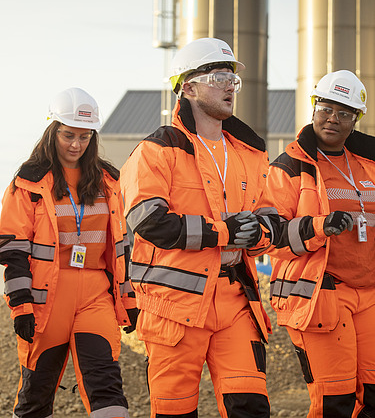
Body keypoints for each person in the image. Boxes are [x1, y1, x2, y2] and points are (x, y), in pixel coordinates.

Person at [121, 37, 282, 418]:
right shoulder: (157, 150)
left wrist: (257, 234)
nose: (231, 85)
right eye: (220, 76)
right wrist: (224, 232)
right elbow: (148, 222)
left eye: (233, 79)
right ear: (188, 87)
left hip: (235, 300)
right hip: (174, 309)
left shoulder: (250, 154)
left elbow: (272, 219)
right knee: (175, 412)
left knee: (251, 407)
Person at [0, 87, 137, 418]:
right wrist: (21, 306)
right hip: (48, 300)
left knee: (107, 385)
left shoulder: (108, 182)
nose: (76, 145)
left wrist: (129, 299)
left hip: (96, 297)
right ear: (52, 131)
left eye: (85, 136)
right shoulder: (29, 183)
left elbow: (122, 249)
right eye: (68, 135)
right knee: (37, 396)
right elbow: (12, 248)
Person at [267, 70, 375, 417]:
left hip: (371, 295)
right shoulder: (290, 167)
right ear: (314, 108)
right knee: (335, 400)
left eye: (344, 113)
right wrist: (319, 226)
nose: (333, 119)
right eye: (326, 108)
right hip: (321, 294)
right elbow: (270, 235)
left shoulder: (369, 164)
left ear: (356, 119)